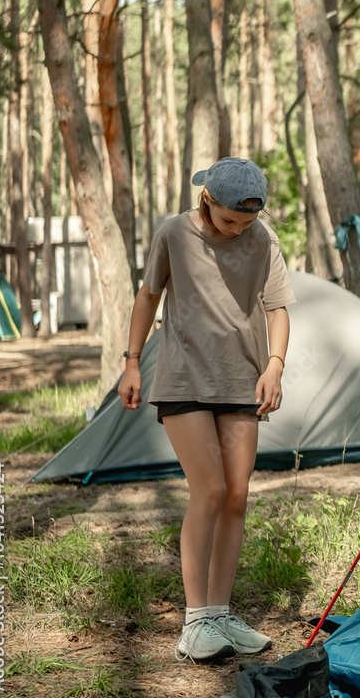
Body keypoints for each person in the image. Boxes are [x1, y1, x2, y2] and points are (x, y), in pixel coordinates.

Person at [118, 157, 296, 663]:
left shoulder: (263, 241)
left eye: (247, 222)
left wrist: (275, 366)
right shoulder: (173, 233)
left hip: (243, 379)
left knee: (237, 495)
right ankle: (196, 621)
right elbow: (148, 294)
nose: (238, 230)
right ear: (206, 201)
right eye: (229, 222)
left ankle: (220, 611)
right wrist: (131, 363)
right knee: (211, 488)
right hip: (184, 377)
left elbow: (277, 306)